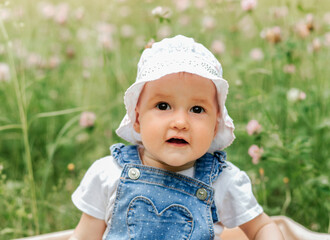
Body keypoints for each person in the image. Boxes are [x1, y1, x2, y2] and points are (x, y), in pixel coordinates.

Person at [70, 35, 284, 240]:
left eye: (197, 109)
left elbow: (262, 227)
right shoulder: (109, 174)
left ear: (215, 126)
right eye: (163, 106)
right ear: (137, 117)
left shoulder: (222, 182)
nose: (180, 122)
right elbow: (84, 236)